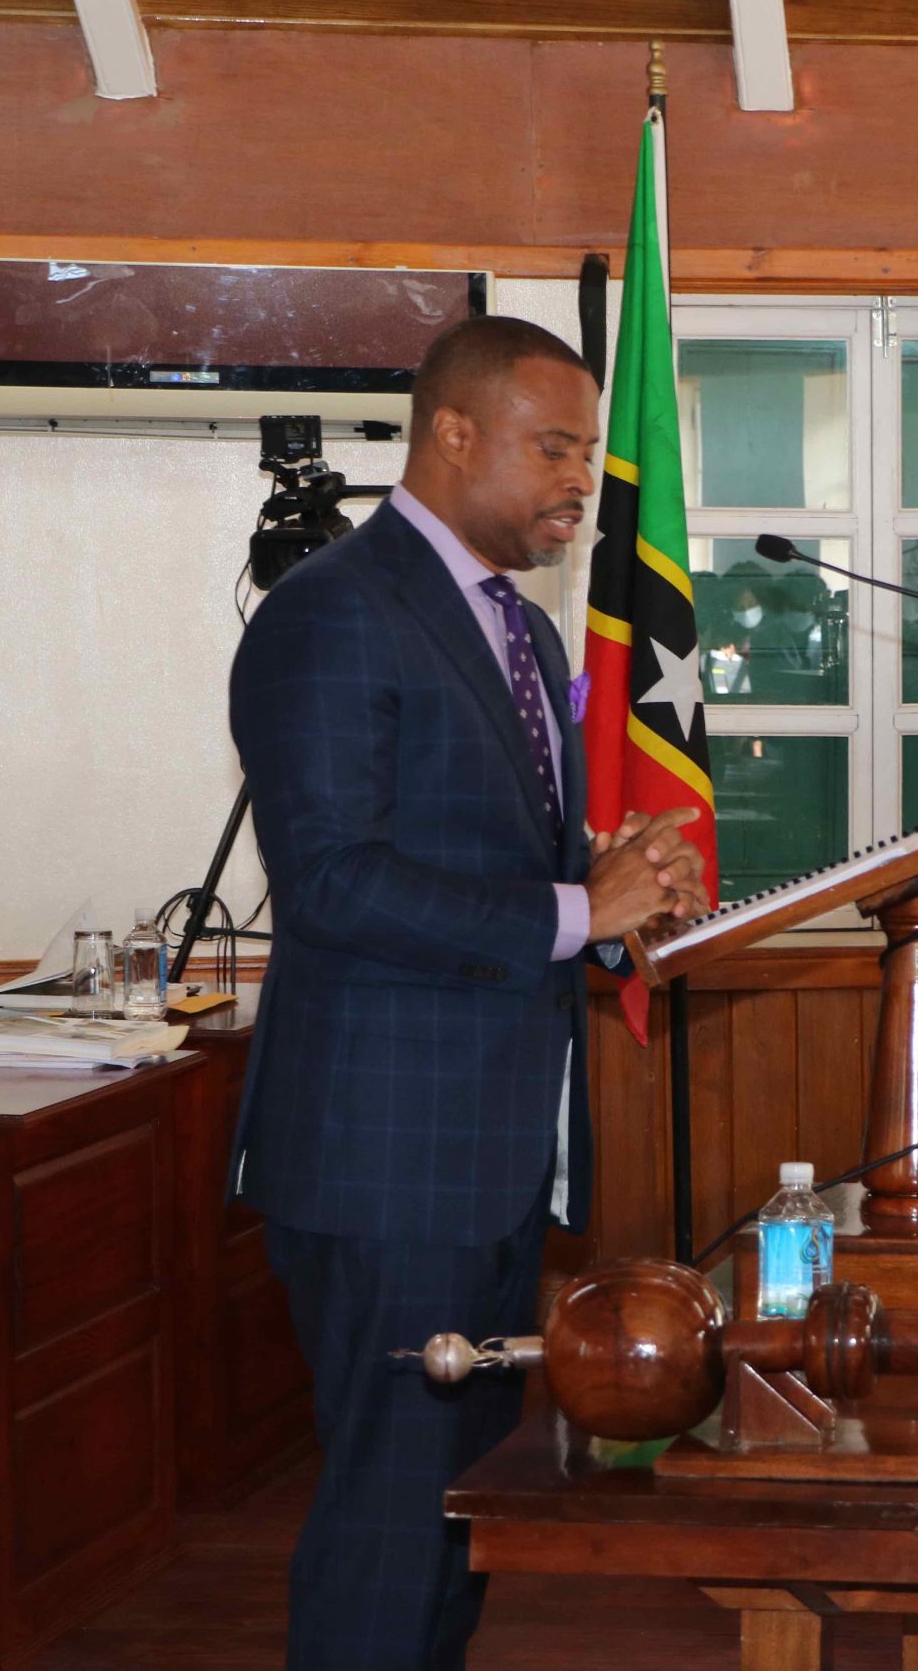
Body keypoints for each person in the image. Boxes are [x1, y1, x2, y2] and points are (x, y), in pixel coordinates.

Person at [227, 315, 710, 1671]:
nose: (576, 478)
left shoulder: (507, 623)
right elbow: (329, 882)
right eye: (553, 445)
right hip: (387, 1163)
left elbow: (506, 870)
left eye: (586, 450)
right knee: (392, 1517)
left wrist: (610, 888)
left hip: (491, 1161)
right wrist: (574, 907)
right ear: (452, 431)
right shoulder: (335, 611)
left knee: (453, 1516)